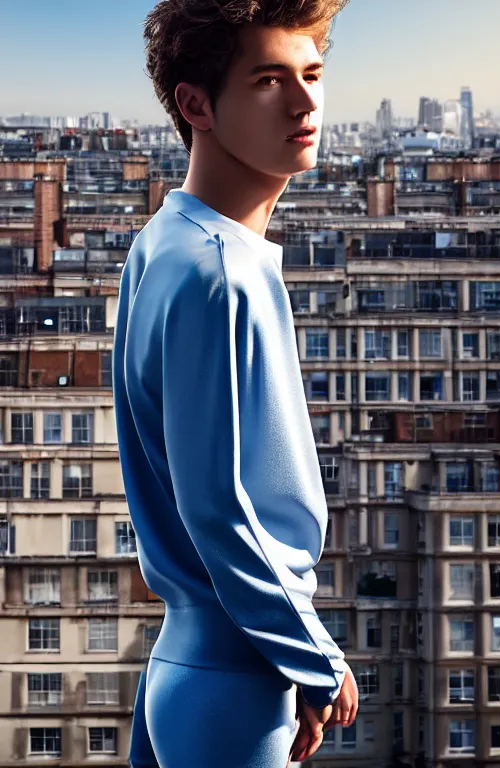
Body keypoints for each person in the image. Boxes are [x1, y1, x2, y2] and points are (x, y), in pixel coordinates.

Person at [112, 0, 359, 765]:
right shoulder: (223, 272)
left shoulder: (162, 240)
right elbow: (220, 505)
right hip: (230, 672)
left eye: (312, 74)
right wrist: (315, 660)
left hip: (188, 661)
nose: (305, 101)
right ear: (195, 104)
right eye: (267, 80)